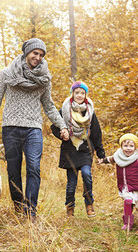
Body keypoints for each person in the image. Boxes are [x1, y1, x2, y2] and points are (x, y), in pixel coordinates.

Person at [0, 38, 69, 219]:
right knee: (13, 171)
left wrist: (62, 125)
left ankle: (30, 211)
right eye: (35, 53)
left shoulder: (44, 79)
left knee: (33, 168)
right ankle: (18, 208)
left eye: (41, 55)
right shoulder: (7, 73)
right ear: (27, 53)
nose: (38, 58)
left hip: (33, 129)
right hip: (11, 128)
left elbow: (49, 106)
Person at [51, 81, 105, 218]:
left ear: (85, 95)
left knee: (87, 174)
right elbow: (54, 127)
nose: (79, 95)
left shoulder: (90, 111)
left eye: (82, 93)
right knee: (71, 183)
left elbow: (97, 133)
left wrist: (100, 153)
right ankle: (70, 207)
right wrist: (61, 135)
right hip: (70, 150)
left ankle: (89, 204)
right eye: (77, 92)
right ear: (72, 94)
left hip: (86, 149)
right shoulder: (64, 110)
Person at [98, 133, 138, 230]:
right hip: (123, 186)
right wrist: (103, 160)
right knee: (128, 202)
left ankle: (128, 221)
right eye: (125, 146)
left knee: (129, 202)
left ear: (135, 147)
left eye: (131, 146)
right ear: (121, 147)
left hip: (134, 186)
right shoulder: (118, 156)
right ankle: (128, 222)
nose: (128, 148)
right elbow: (111, 159)